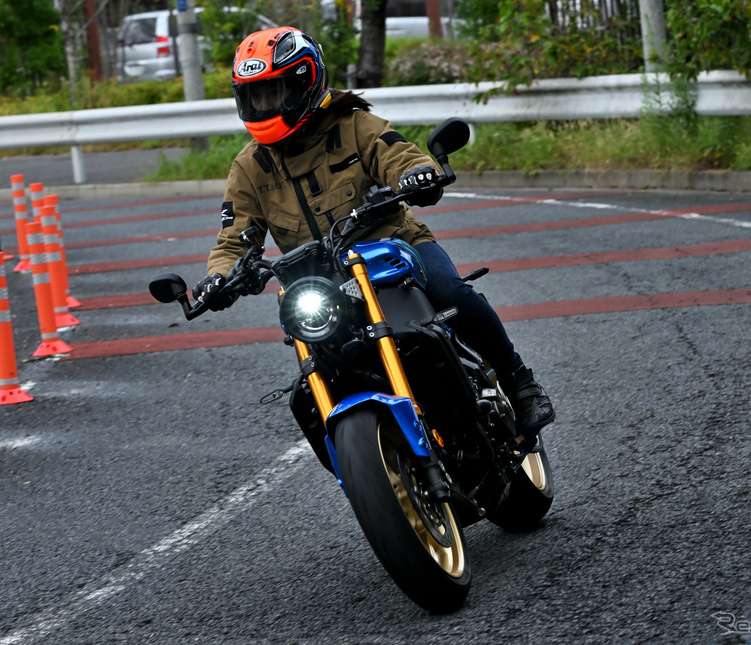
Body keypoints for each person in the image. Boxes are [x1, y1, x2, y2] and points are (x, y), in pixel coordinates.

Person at [196, 26, 554, 448]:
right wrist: (218, 278)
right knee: (314, 374)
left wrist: (416, 174)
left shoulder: (353, 126)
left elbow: (398, 154)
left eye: (274, 92)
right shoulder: (250, 167)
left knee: (452, 292)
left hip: (394, 249)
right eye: (255, 95)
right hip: (323, 282)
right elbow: (235, 237)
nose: (264, 104)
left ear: (305, 82)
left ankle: (519, 382)